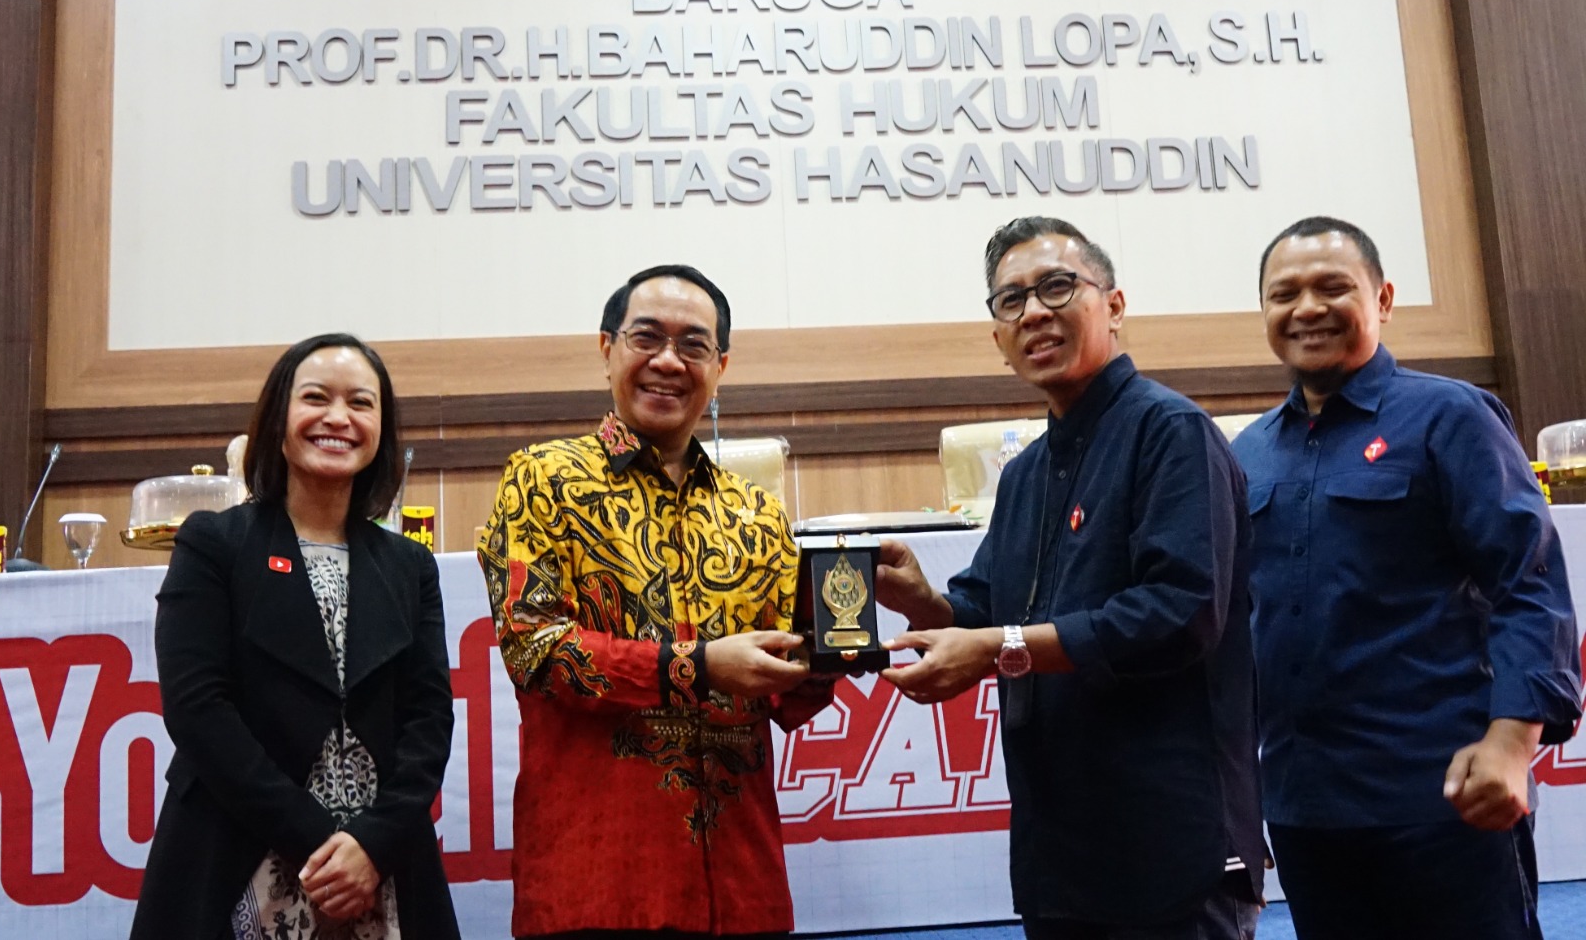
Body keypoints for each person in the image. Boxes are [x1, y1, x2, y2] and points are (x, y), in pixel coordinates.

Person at [875, 216, 1265, 940]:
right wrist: (923, 601)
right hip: (1060, 854)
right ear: (998, 339)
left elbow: (1180, 614)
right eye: (1012, 300)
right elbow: (988, 610)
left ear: (1113, 306)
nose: (1034, 312)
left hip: (1170, 844)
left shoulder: (1170, 432)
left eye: (1057, 287)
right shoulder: (1024, 473)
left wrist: (996, 648)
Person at [1232, 216, 1582, 940]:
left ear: (1383, 299)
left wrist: (1512, 743)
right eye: (1284, 294)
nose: (1307, 308)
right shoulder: (1250, 453)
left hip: (1442, 796)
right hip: (1304, 806)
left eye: (1332, 287)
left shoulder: (1450, 416)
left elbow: (1528, 580)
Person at [476, 264, 828, 940]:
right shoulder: (543, 480)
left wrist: (835, 646)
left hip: (743, 887)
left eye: (694, 345)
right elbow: (535, 651)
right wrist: (700, 666)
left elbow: (789, 699)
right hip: (599, 882)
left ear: (720, 366)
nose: (669, 361)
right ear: (607, 349)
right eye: (647, 338)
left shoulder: (757, 512)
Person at [131, 333, 461, 940]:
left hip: (381, 864)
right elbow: (197, 708)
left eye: (360, 403)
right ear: (278, 421)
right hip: (236, 849)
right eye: (316, 398)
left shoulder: (409, 565)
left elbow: (429, 718)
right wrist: (319, 840)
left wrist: (371, 845)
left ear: (381, 430)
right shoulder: (214, 544)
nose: (338, 418)